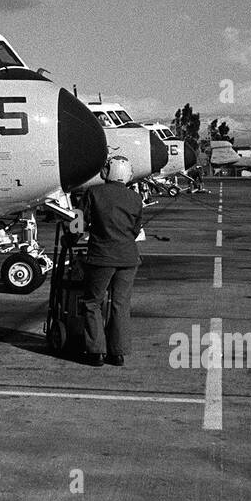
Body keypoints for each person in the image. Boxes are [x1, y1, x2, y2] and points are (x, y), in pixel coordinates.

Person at [78, 155, 144, 366]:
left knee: (92, 302)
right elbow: (135, 230)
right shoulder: (135, 198)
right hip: (128, 258)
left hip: (101, 257)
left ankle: (96, 351)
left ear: (108, 171)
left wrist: (68, 238)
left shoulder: (93, 193)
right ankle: (118, 353)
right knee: (120, 304)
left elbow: (78, 223)